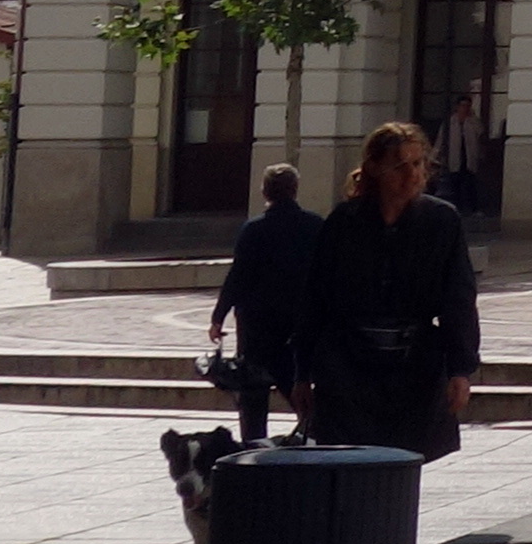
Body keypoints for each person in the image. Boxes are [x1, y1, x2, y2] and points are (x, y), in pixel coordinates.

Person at [301, 121, 482, 459]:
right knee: (350, 462)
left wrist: (461, 369)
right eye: (399, 166)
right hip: (350, 369)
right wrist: (302, 372)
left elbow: (458, 299)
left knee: (403, 464)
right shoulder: (344, 222)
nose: (412, 175)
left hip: (414, 368)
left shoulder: (442, 221)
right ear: (375, 168)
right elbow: (316, 298)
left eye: (418, 163)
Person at [207, 163, 320, 444]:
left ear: (265, 192)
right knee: (299, 389)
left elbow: (238, 276)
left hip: (257, 327)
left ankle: (253, 449)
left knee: (253, 397)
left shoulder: (254, 229)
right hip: (298, 324)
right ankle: (314, 441)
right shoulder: (315, 225)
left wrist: (218, 316)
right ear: (295, 190)